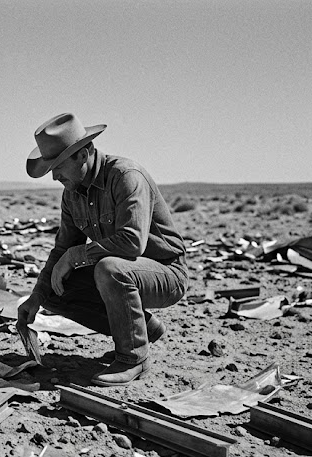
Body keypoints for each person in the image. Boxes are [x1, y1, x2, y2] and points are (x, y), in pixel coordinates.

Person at [16, 113, 188, 386]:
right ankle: (144, 328)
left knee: (110, 269)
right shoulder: (72, 194)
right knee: (55, 287)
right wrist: (37, 295)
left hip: (166, 274)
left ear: (84, 154)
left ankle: (134, 358)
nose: (55, 176)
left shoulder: (125, 177)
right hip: (122, 274)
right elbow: (63, 247)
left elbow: (132, 243)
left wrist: (76, 256)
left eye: (59, 166)